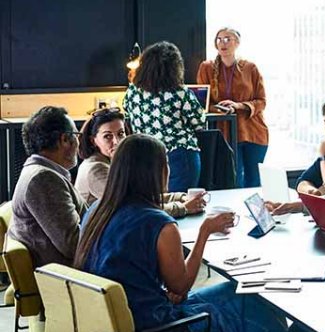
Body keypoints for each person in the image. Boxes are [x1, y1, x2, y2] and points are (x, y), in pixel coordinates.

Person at [74, 134, 325, 332]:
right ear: (157, 171)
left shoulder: (97, 210)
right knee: (249, 300)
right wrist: (205, 233)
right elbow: (181, 287)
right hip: (159, 330)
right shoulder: (157, 222)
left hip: (119, 326)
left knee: (246, 296)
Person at [75, 107, 206, 217]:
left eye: (121, 134)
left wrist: (180, 197)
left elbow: (139, 198)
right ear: (93, 140)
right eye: (107, 136)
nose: (116, 141)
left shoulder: (112, 162)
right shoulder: (96, 169)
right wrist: (183, 207)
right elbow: (133, 208)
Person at [8, 106, 87, 267]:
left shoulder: (40, 172)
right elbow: (73, 245)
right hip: (70, 278)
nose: (79, 143)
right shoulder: (43, 179)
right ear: (65, 139)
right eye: (77, 135)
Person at [123, 41, 205, 193]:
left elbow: (128, 117)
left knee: (154, 205)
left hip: (146, 156)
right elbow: (199, 122)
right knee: (182, 204)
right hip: (179, 154)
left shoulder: (132, 92)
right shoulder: (179, 93)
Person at [197, 27, 269, 188]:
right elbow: (202, 102)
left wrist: (238, 106)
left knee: (254, 181)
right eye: (219, 39)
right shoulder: (206, 68)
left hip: (254, 132)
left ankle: (253, 213)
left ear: (237, 43)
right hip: (225, 134)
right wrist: (220, 109)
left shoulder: (250, 67)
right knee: (233, 181)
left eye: (228, 39)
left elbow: (262, 101)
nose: (223, 43)